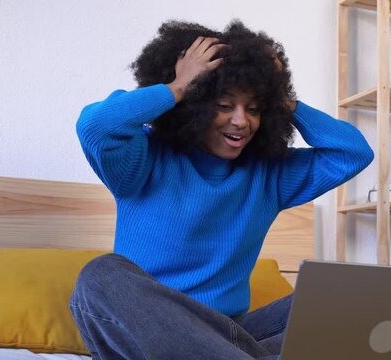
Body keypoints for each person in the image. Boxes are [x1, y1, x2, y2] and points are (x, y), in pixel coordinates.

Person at [69, 20, 373, 360]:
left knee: (333, 294)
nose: (242, 121)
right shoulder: (141, 161)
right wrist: (178, 86)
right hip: (149, 338)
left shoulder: (268, 174)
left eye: (254, 108)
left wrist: (282, 97)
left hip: (228, 337)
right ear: (195, 107)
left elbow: (353, 153)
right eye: (225, 106)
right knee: (99, 277)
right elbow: (95, 125)